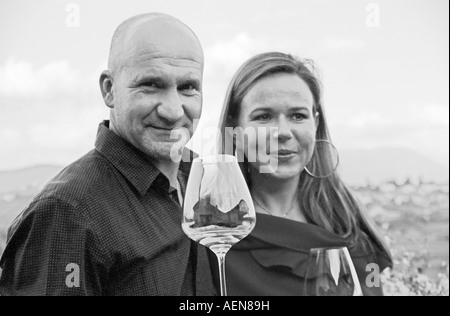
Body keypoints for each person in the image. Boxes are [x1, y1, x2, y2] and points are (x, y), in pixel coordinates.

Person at [0, 13, 215, 296]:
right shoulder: (68, 213)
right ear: (109, 90)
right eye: (151, 84)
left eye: (188, 87)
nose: (173, 111)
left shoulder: (199, 175)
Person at [217, 52, 393, 296]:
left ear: (316, 123)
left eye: (298, 116)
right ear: (234, 130)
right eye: (264, 116)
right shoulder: (211, 229)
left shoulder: (347, 220)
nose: (283, 132)